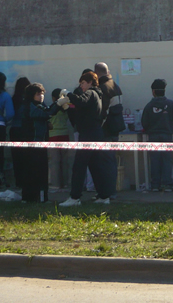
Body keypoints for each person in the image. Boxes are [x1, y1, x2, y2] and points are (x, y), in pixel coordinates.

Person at [59, 71, 117, 206]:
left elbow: (80, 101)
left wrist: (68, 94)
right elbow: (82, 109)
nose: (81, 86)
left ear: (90, 82)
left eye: (83, 83)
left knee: (79, 166)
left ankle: (74, 197)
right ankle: (104, 196)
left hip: (88, 134)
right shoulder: (97, 95)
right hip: (95, 134)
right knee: (95, 166)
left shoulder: (91, 93)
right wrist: (68, 107)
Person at [18, 82, 57, 202]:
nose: (41, 96)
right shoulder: (30, 106)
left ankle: (39, 197)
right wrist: (58, 104)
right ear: (31, 95)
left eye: (42, 94)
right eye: (38, 94)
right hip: (33, 145)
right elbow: (46, 113)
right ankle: (33, 198)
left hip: (40, 143)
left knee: (40, 172)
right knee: (34, 172)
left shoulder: (36, 105)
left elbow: (45, 113)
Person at [142, 79, 173, 191]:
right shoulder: (171, 104)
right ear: (164, 91)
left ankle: (155, 184)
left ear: (153, 92)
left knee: (154, 160)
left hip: (153, 136)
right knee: (167, 160)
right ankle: (167, 184)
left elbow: (144, 123)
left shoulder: (149, 106)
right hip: (167, 135)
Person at [8, 77, 31, 188]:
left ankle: (19, 181)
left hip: (15, 129)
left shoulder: (14, 99)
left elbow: (10, 114)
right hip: (27, 130)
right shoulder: (30, 99)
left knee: (16, 157)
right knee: (28, 156)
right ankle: (28, 179)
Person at [48, 88, 71, 191]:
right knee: (64, 161)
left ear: (53, 98)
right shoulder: (65, 109)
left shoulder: (51, 108)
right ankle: (65, 183)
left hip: (53, 135)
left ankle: (55, 183)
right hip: (65, 135)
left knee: (55, 161)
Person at [95, 62, 124, 140]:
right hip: (116, 126)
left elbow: (103, 110)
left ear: (96, 73)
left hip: (106, 128)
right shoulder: (115, 86)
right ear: (108, 72)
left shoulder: (102, 87)